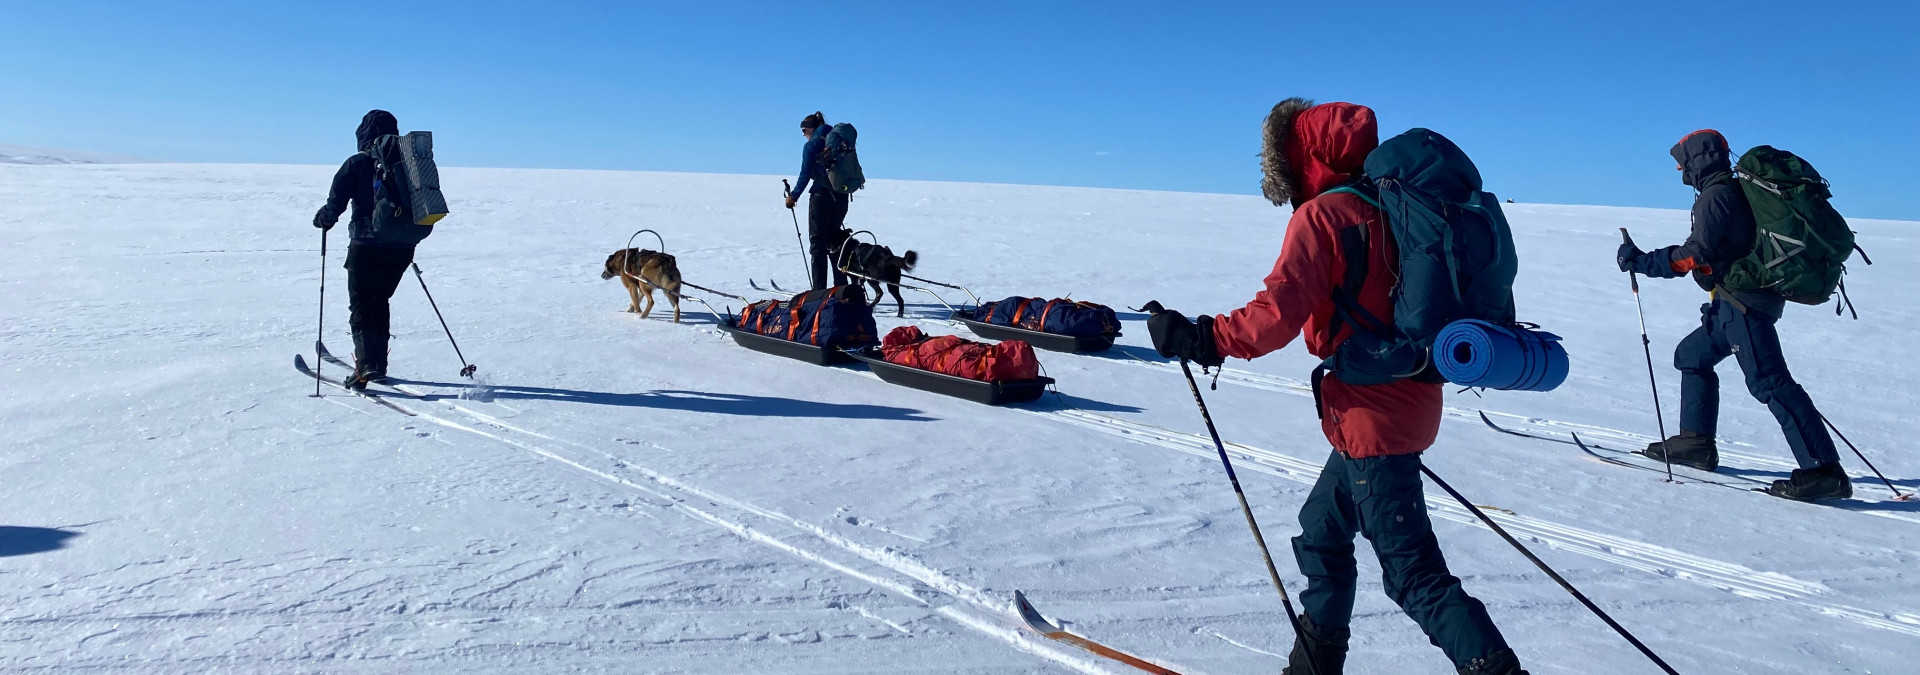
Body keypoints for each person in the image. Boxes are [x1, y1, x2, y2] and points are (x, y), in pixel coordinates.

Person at [1147, 99, 1528, 675]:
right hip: (1398, 403)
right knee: (1321, 533)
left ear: (1300, 157)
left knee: (1413, 576)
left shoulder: (1324, 217)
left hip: (1374, 420)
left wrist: (1202, 338)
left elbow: (1277, 314)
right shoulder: (1393, 205)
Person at [1617, 130, 1849, 501]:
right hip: (1729, 305)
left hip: (1744, 305)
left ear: (1698, 160)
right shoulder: (1726, 191)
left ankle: (1823, 470)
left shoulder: (1718, 196)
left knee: (1770, 382)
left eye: (1682, 159)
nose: (1678, 167)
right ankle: (1695, 443)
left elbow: (1695, 253)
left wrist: (1643, 262)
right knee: (1691, 356)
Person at [312, 109, 419, 389]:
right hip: (402, 246)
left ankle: (366, 367)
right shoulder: (409, 164)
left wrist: (324, 219)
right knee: (379, 301)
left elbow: (335, 204)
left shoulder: (357, 163)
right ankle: (376, 365)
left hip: (366, 244)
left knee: (362, 305)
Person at [786, 111, 851, 290]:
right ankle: (841, 288)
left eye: (804, 130)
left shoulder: (812, 145)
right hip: (842, 196)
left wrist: (793, 196)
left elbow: (805, 174)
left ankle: (819, 291)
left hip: (821, 198)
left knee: (818, 245)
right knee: (835, 242)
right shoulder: (840, 142)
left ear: (811, 129)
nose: (803, 134)